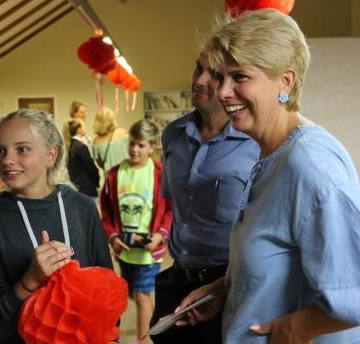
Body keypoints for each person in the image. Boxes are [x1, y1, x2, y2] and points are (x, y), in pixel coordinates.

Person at [175, 9, 360, 344]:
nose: (223, 92)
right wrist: (224, 289)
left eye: (241, 77)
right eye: (221, 77)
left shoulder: (308, 163)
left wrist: (301, 326)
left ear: (286, 81)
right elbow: (285, 257)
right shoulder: (271, 154)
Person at [0, 109, 113, 344]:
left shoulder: (82, 209)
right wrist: (30, 281)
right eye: (0, 150)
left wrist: (110, 336)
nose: (7, 159)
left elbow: (106, 288)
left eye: (22, 149)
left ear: (50, 156)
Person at [149, 52, 260, 344]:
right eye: (198, 67)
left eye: (214, 73)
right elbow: (176, 206)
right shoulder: (173, 133)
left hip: (229, 284)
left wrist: (227, 285)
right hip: (177, 281)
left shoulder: (256, 142)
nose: (199, 80)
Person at [100, 119, 173, 343]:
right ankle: (151, 319)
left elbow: (170, 209)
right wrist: (112, 237)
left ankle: (143, 340)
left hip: (149, 251)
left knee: (141, 296)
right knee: (133, 293)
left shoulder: (161, 174)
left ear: (151, 146)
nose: (134, 149)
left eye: (141, 145)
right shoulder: (114, 174)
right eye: (132, 143)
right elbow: (107, 211)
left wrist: (160, 235)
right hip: (124, 249)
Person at [63, 118, 100, 201]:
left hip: (76, 188)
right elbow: (91, 168)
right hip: (87, 190)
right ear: (79, 129)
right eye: (83, 126)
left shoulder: (69, 145)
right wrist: (97, 183)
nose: (85, 129)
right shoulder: (80, 146)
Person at [92, 107, 129, 175]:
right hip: (127, 174)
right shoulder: (123, 133)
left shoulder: (96, 142)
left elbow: (100, 164)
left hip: (110, 177)